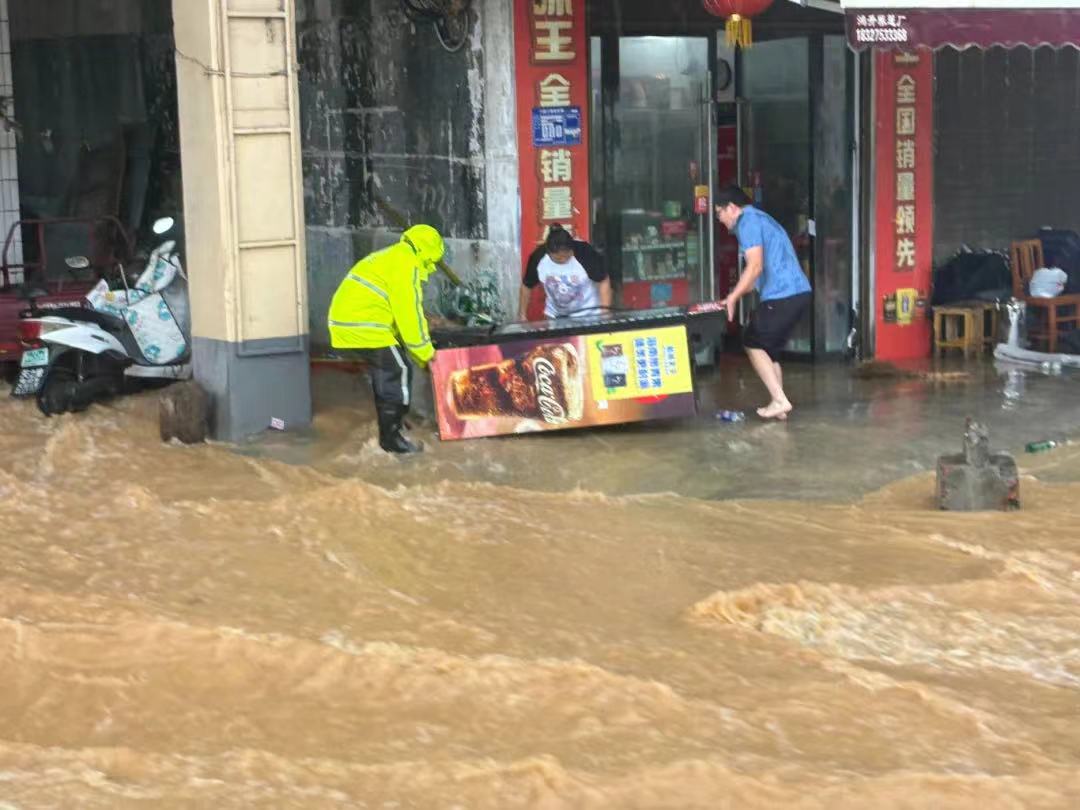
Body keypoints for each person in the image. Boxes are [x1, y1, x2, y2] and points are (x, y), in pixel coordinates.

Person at [327, 224, 444, 454]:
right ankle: (391, 438)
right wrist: (426, 353)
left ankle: (395, 425)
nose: (432, 267)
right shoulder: (406, 264)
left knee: (395, 365)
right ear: (426, 251)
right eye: (433, 260)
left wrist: (420, 357)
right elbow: (409, 314)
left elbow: (399, 318)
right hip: (363, 325)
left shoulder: (395, 257)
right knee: (397, 369)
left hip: (354, 323)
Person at [715, 185, 812, 421]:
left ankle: (780, 400)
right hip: (797, 292)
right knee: (770, 350)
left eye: (719, 212)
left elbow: (755, 266)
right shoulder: (759, 219)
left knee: (751, 341)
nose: (719, 218)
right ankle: (778, 405)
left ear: (732, 208)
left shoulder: (747, 223)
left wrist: (733, 297)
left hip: (783, 293)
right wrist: (732, 296)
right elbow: (753, 278)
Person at [520, 224, 611, 320]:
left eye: (567, 256)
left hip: (588, 313)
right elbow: (526, 286)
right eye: (558, 258)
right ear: (548, 252)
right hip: (556, 315)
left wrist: (605, 314)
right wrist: (522, 315)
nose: (563, 260)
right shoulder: (538, 257)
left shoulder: (584, 252)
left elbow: (603, 280)